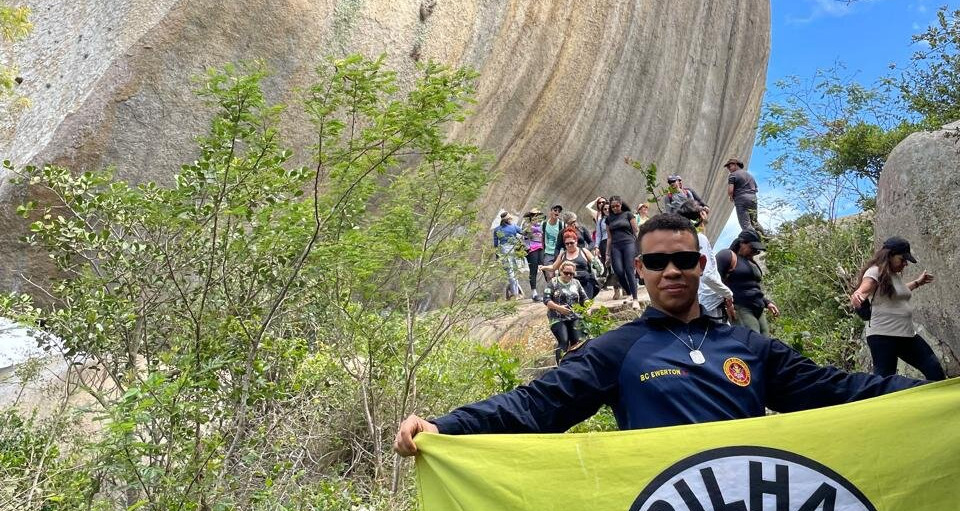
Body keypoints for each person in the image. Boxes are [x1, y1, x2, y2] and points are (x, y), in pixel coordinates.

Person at [394, 213, 920, 451]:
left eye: (684, 259)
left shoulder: (750, 347)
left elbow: (837, 390)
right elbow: (538, 406)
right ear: (639, 269)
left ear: (700, 266)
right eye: (657, 262)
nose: (672, 270)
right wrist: (448, 426)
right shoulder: (618, 351)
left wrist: (930, 396)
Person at [850, 236, 946, 381]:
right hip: (883, 336)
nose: (905, 263)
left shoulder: (892, 275)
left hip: (906, 334)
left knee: (933, 369)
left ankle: (940, 401)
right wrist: (858, 295)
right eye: (902, 259)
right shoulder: (874, 271)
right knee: (885, 381)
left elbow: (897, 293)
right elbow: (863, 289)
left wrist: (917, 283)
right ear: (890, 255)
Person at [676, 199, 735, 323]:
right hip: (710, 301)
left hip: (699, 301)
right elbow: (706, 275)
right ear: (699, 216)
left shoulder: (685, 241)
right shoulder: (699, 239)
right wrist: (727, 293)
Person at [715, 229, 779, 335]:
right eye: (753, 248)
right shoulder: (727, 256)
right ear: (742, 243)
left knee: (766, 341)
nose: (755, 252)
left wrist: (767, 302)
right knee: (753, 342)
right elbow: (714, 281)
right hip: (741, 307)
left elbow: (752, 287)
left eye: (757, 251)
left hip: (758, 307)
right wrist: (728, 304)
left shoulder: (751, 262)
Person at [542, 261, 589, 363]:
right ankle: (561, 364)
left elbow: (584, 298)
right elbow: (546, 300)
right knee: (563, 340)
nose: (568, 275)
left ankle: (577, 363)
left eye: (571, 274)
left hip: (574, 315)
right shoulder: (553, 282)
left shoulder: (576, 283)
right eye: (566, 273)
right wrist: (558, 308)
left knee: (578, 341)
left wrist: (587, 306)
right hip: (557, 317)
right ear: (560, 271)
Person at [541, 227, 600, 298]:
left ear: (576, 241)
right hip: (569, 286)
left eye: (571, 243)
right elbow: (553, 267)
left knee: (585, 305)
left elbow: (597, 265)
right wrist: (543, 267)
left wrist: (598, 268)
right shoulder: (562, 255)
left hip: (585, 283)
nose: (569, 245)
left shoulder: (584, 251)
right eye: (567, 244)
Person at [604, 195, 640, 310]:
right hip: (615, 246)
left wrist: (640, 248)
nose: (615, 208)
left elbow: (636, 231)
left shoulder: (628, 215)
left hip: (628, 243)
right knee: (619, 271)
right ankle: (629, 293)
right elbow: (609, 238)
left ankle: (635, 299)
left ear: (621, 204)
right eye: (613, 206)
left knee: (629, 270)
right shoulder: (609, 219)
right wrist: (607, 254)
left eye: (617, 206)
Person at [724, 157, 765, 236]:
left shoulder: (732, 175)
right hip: (753, 199)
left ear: (736, 165)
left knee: (745, 225)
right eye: (727, 167)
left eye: (729, 166)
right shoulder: (749, 175)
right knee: (755, 222)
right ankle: (765, 238)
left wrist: (731, 196)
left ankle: (754, 243)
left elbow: (730, 191)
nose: (728, 168)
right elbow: (756, 188)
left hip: (741, 199)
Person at [492, 211, 524, 299]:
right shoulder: (513, 226)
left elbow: (495, 245)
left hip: (504, 251)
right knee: (514, 273)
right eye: (510, 219)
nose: (511, 220)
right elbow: (524, 233)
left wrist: (497, 257)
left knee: (511, 273)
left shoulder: (497, 229)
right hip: (512, 250)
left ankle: (515, 293)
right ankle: (516, 293)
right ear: (507, 220)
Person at [520, 209, 545, 302]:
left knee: (545, 267)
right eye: (534, 215)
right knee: (533, 270)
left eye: (537, 214)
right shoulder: (526, 225)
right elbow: (522, 235)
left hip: (540, 248)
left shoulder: (541, 224)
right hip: (531, 249)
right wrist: (527, 248)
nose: (536, 216)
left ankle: (550, 291)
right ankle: (534, 293)